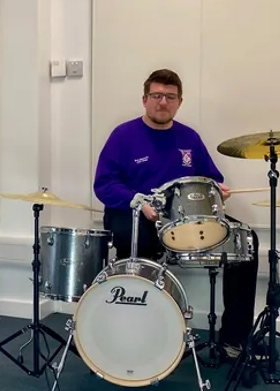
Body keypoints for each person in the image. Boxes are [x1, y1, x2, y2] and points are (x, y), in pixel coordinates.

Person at [93, 68, 261, 360]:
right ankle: (141, 334)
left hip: (183, 219)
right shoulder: (123, 135)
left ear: (179, 102)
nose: (163, 102)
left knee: (246, 241)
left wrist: (217, 189)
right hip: (136, 214)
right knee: (137, 240)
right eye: (157, 95)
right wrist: (136, 202)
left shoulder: (189, 138)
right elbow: (104, 184)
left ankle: (234, 338)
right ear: (145, 99)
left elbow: (210, 178)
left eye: (170, 97)